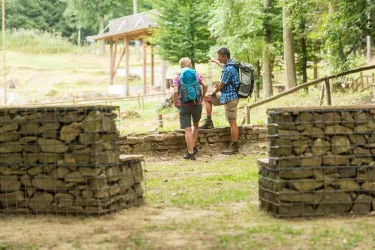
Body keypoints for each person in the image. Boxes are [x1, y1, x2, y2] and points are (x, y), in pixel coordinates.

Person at [200, 47, 240, 155]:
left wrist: (213, 92)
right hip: (225, 96)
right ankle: (209, 121)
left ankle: (235, 146)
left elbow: (221, 85)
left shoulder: (229, 69)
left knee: (232, 122)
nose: (218, 58)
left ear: (224, 56)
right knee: (206, 98)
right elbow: (222, 65)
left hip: (230, 98)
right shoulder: (231, 64)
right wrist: (215, 61)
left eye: (219, 57)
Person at [173, 57, 207, 160]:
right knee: (195, 125)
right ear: (190, 64)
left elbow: (175, 91)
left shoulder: (177, 77)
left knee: (187, 129)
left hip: (183, 105)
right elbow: (205, 85)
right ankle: (193, 147)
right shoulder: (197, 74)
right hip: (197, 104)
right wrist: (202, 97)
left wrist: (175, 102)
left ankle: (190, 153)